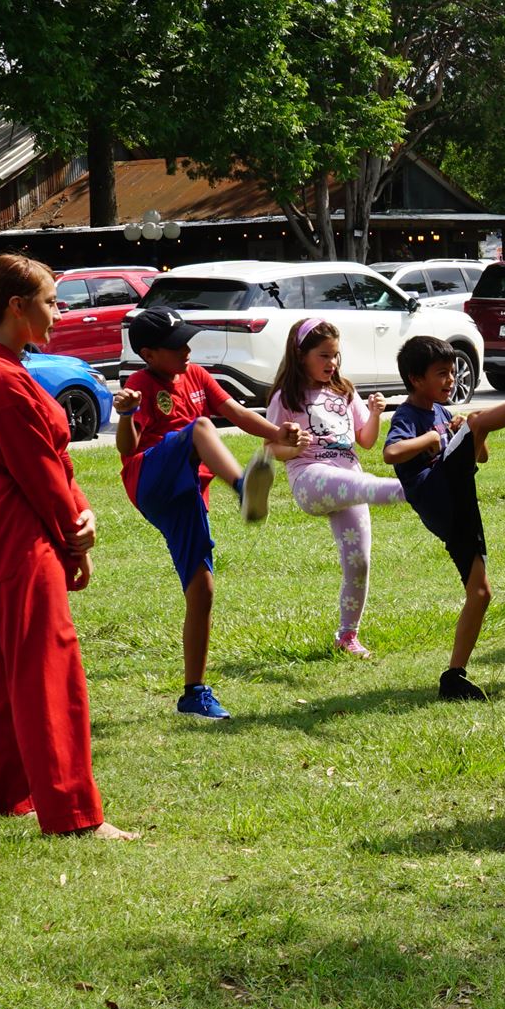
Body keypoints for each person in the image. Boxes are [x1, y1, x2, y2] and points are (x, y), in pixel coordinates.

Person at [0, 253, 134, 841]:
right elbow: (40, 470)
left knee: (6, 664)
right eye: (51, 301)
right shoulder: (1, 375)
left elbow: (44, 462)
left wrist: (76, 516)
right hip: (19, 527)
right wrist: (78, 533)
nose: (59, 311)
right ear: (16, 308)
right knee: (49, 664)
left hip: (2, 524)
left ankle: (3, 795)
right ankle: (73, 814)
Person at [111, 307, 299, 720]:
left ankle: (193, 693)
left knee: (202, 590)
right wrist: (125, 414)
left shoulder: (195, 375)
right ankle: (242, 487)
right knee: (199, 427)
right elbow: (127, 449)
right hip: (149, 478)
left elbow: (236, 413)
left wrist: (276, 432)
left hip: (188, 490)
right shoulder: (141, 384)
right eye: (178, 345)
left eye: (188, 340)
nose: (188, 349)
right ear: (148, 352)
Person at [383, 336, 505, 701]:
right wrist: (434, 437)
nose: (450, 380)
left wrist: (469, 433)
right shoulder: (409, 415)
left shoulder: (442, 413)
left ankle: (454, 676)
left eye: (452, 372)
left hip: (459, 505)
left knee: (482, 592)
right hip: (437, 494)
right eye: (441, 373)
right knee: (477, 419)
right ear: (415, 378)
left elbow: (481, 457)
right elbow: (391, 452)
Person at [264, 317, 403, 658]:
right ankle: (412, 489)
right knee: (362, 484)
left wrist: (374, 414)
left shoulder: (344, 392)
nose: (333, 363)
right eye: (324, 356)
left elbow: (366, 442)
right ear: (301, 356)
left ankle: (347, 636)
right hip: (311, 478)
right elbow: (272, 448)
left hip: (351, 482)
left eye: (336, 355)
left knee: (359, 563)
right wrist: (294, 447)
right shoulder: (287, 397)